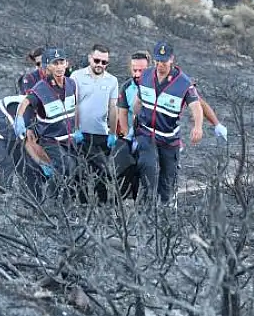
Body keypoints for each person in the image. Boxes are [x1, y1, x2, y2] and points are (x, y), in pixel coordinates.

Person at [131, 41, 205, 205]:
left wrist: (198, 127)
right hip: (146, 132)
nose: (160, 65)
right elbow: (138, 101)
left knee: (167, 179)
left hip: (168, 136)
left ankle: (165, 212)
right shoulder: (146, 75)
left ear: (172, 59)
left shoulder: (184, 83)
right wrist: (134, 119)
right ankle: (145, 209)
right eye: (157, 61)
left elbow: (196, 107)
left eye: (163, 61)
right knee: (148, 166)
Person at [13, 47, 82, 198]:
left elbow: (75, 108)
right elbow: (24, 103)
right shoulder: (41, 88)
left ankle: (64, 203)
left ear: (66, 64)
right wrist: (19, 119)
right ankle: (49, 201)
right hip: (50, 140)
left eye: (61, 62)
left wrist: (78, 128)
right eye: (54, 63)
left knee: (74, 169)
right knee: (62, 167)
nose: (58, 67)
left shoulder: (72, 84)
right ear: (47, 67)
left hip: (69, 138)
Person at [70, 44, 120, 203]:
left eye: (104, 62)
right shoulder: (76, 76)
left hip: (101, 135)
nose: (100, 64)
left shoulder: (112, 80)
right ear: (90, 58)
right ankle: (79, 209)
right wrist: (75, 129)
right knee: (79, 173)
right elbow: (74, 104)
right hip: (80, 135)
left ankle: (102, 210)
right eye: (97, 60)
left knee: (102, 174)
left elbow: (113, 107)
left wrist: (112, 133)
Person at [114, 50, 151, 200]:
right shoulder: (127, 87)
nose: (137, 74)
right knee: (122, 162)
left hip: (152, 136)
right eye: (134, 70)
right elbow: (122, 114)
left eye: (141, 71)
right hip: (132, 135)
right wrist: (124, 138)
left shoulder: (156, 86)